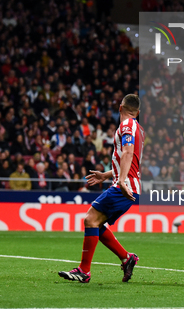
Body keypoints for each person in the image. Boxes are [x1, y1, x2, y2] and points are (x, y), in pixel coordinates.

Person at [59, 94, 143, 283]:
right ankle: (126, 257)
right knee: (96, 223)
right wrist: (106, 175)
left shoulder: (127, 126)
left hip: (124, 185)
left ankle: (84, 271)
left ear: (120, 108)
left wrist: (121, 180)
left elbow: (128, 153)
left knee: (90, 219)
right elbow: (129, 158)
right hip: (127, 184)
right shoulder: (137, 128)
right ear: (138, 112)